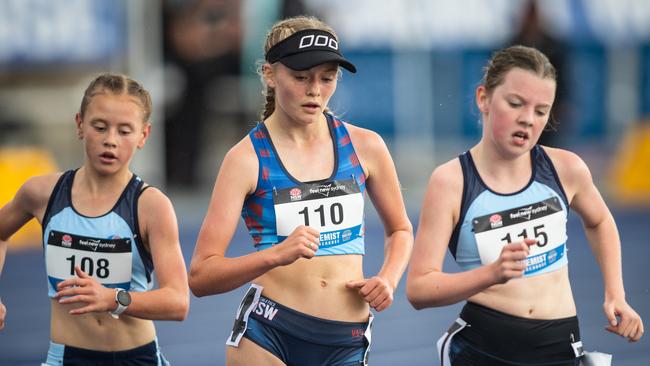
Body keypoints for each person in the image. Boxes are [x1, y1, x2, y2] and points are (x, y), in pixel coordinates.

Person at [189, 15, 413, 366]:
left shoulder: (366, 146)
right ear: (269, 74)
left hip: (346, 339)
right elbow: (201, 276)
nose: (315, 90)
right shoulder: (245, 159)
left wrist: (388, 277)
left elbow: (400, 229)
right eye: (300, 77)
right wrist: (275, 255)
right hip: (269, 334)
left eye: (327, 78)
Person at [406, 45, 644, 366]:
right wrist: (491, 274)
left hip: (558, 344)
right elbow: (419, 288)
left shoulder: (566, 168)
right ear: (483, 99)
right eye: (515, 103)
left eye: (541, 110)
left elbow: (600, 221)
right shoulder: (451, 181)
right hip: (483, 348)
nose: (528, 120)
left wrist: (616, 294)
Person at [0, 73, 189, 365]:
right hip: (65, 357)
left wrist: (114, 299)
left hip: (137, 358)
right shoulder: (42, 193)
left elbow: (177, 302)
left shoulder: (151, 206)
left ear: (143, 135)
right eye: (99, 127)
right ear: (80, 125)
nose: (110, 141)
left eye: (124, 131)